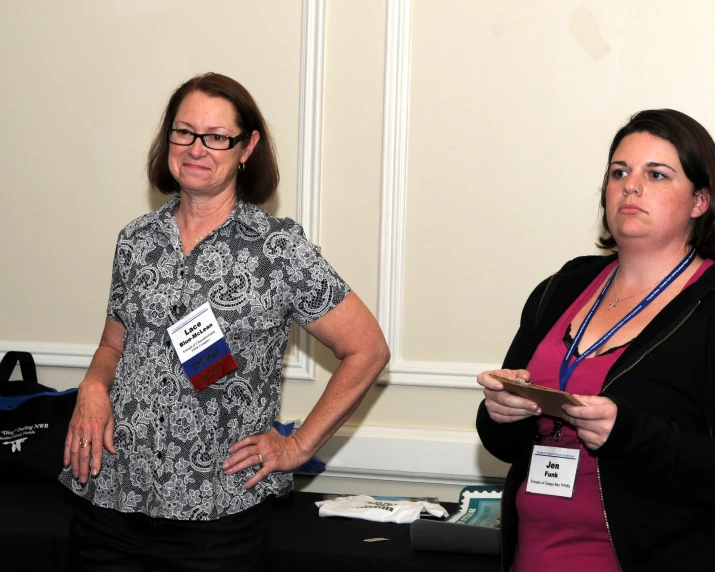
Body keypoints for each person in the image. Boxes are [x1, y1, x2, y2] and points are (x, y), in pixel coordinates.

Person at [60, 72, 390, 571]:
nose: (196, 148)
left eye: (216, 137)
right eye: (184, 132)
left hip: (217, 516)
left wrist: (299, 445)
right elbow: (112, 345)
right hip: (109, 501)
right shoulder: (137, 240)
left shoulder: (278, 249)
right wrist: (92, 386)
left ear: (247, 147)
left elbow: (368, 349)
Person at [476, 109, 715, 571]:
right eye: (619, 172)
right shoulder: (562, 286)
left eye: (657, 174)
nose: (631, 186)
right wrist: (501, 413)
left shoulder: (708, 304)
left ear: (699, 201)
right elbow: (505, 445)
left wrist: (629, 434)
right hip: (532, 555)